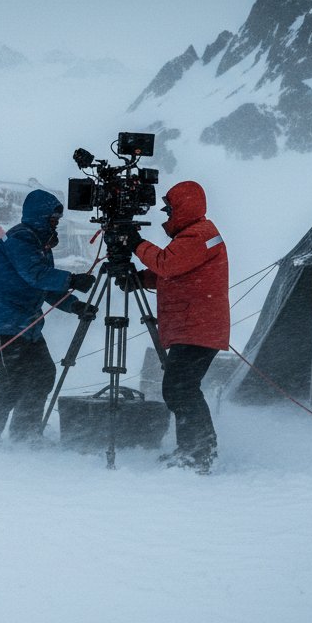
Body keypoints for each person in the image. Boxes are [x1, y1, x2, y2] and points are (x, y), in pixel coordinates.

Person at [0, 189, 95, 445]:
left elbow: (44, 287)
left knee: (42, 374)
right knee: (11, 379)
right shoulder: (20, 239)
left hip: (26, 325)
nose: (55, 224)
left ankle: (24, 434)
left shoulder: (40, 244)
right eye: (53, 219)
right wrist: (72, 280)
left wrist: (74, 306)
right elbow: (35, 275)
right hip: (3, 323)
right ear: (40, 217)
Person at [122, 180, 229, 473]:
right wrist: (141, 280)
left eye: (169, 209)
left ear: (182, 207)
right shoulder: (195, 236)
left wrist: (134, 242)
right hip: (196, 326)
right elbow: (177, 273)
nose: (166, 215)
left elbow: (167, 265)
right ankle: (197, 450)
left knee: (180, 389)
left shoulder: (201, 235)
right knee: (182, 388)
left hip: (198, 327)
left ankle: (197, 454)